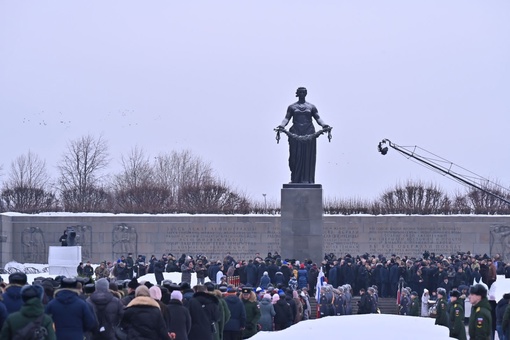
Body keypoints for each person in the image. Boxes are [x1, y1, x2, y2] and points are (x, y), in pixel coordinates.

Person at [276, 87, 331, 184]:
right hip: (295, 133)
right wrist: (281, 126)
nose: (302, 93)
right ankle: (295, 179)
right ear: (297, 93)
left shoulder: (311, 107)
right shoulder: (292, 107)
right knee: (294, 158)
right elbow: (286, 118)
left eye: (303, 92)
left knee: (307, 157)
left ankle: (306, 180)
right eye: (300, 92)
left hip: (309, 133)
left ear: (306, 93)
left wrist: (324, 125)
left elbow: (318, 118)